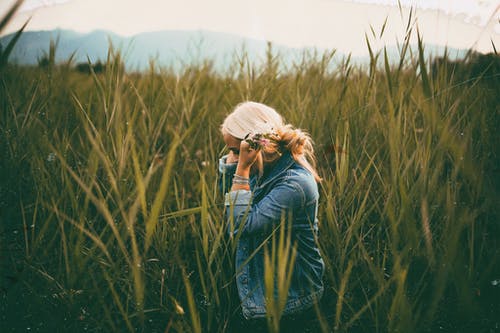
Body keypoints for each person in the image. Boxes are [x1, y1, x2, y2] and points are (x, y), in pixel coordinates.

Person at [218, 101, 325, 329]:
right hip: (262, 289)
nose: (233, 159)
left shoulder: (296, 185)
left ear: (259, 147)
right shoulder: (260, 165)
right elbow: (228, 206)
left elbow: (240, 226)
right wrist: (238, 167)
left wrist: (241, 170)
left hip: (291, 300)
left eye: (236, 151)